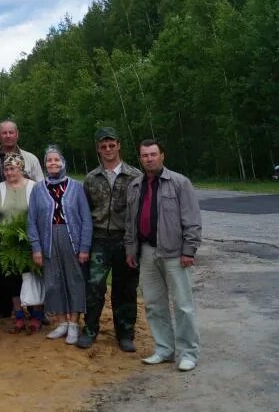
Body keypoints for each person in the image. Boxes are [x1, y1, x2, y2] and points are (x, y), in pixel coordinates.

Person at [125, 139, 202, 372]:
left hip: (174, 254)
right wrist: (131, 249)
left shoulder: (179, 183)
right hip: (147, 253)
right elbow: (130, 222)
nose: (149, 158)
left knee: (183, 306)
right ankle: (164, 350)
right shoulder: (136, 185)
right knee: (154, 305)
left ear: (162, 156)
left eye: (153, 154)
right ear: (140, 158)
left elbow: (192, 220)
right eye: (145, 155)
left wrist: (189, 250)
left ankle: (188, 353)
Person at [77, 127, 143, 352]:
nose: (108, 149)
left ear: (118, 145)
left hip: (125, 241)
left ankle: (125, 333)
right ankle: (90, 330)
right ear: (98, 148)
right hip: (98, 240)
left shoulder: (135, 176)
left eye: (111, 145)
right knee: (94, 288)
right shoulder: (91, 178)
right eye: (103, 146)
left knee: (125, 289)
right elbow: (85, 213)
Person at [28, 146, 92, 345]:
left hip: (71, 238)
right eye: (49, 160)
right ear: (45, 164)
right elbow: (31, 220)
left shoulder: (76, 187)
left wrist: (84, 247)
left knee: (74, 279)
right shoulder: (38, 189)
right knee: (53, 281)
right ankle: (62, 322)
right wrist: (36, 248)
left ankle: (74, 323)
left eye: (56, 160)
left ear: (63, 162)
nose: (53, 163)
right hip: (48, 240)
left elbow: (86, 219)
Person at [0, 153, 42, 334]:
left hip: (28, 242)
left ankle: (36, 315)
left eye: (12, 168)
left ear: (21, 168)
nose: (9, 172)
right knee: (12, 282)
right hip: (6, 245)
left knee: (32, 279)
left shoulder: (34, 188)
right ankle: (19, 316)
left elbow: (40, 214)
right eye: (6, 169)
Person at [0, 120, 44, 185]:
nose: (8, 136)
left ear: (17, 134)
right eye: (4, 133)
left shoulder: (32, 159)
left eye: (11, 132)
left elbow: (41, 186)